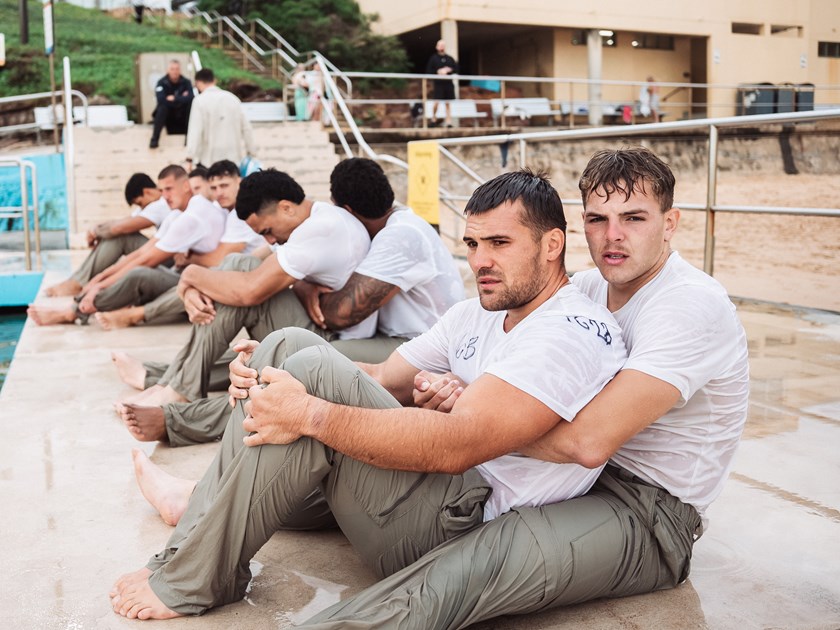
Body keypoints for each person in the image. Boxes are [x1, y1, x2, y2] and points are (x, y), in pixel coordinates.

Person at [109, 169, 628, 620]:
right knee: (291, 345)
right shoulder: (479, 313)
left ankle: (196, 572)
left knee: (308, 368)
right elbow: (380, 378)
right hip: (425, 494)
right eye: (473, 245)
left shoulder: (569, 330)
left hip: (460, 521)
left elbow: (460, 445)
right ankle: (190, 546)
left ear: (552, 245)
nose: (480, 261)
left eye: (500, 244)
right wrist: (268, 368)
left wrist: (308, 409)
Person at [277, 146, 750, 628]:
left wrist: (469, 415)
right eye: (596, 218)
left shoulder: (689, 304)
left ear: (670, 223)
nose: (613, 235)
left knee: (454, 576)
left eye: (634, 217)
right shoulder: (587, 289)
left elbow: (588, 442)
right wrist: (471, 406)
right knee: (320, 484)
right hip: (561, 480)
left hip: (646, 506)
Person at [115, 158, 465, 446]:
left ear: (346, 207)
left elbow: (338, 314)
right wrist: (302, 284)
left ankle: (178, 414)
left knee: (294, 368)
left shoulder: (401, 236)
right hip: (387, 339)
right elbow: (257, 271)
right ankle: (170, 379)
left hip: (415, 349)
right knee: (244, 277)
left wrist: (190, 274)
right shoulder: (373, 226)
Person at [118, 166, 376, 409]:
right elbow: (247, 263)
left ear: (286, 207)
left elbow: (249, 289)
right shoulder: (309, 216)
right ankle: (171, 383)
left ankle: (179, 388)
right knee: (237, 264)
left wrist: (191, 275)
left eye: (267, 231)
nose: (270, 240)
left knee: (240, 281)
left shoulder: (319, 229)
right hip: (315, 325)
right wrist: (191, 288)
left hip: (332, 343)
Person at [27, 166, 227, 327]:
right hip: (184, 273)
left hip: (204, 287)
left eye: (169, 189)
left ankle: (73, 312)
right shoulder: (177, 213)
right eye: (162, 190)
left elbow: (147, 260)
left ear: (186, 186)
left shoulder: (192, 216)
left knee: (138, 274)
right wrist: (99, 278)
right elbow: (142, 252)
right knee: (133, 269)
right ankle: (82, 296)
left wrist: (100, 286)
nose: (164, 195)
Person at [95, 160, 267, 331]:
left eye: (224, 186)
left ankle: (134, 314)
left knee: (195, 279)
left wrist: (189, 257)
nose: (219, 193)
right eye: (214, 188)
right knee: (171, 274)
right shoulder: (223, 209)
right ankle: (100, 298)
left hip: (244, 280)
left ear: (239, 182)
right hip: (228, 276)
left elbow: (218, 260)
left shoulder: (239, 214)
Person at [44, 173, 172, 298]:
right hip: (163, 253)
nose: (140, 207)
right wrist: (96, 228)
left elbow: (119, 227)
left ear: (147, 192)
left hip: (169, 259)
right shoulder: (152, 204)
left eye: (139, 203)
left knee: (122, 236)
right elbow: (121, 222)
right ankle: (76, 280)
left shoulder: (161, 204)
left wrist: (96, 232)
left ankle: (78, 282)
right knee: (113, 233)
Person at [186, 68, 256, 169]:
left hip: (209, 160)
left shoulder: (199, 101)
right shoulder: (233, 98)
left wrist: (190, 157)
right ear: (214, 81)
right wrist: (252, 152)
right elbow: (247, 129)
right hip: (234, 159)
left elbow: (195, 131)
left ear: (197, 83)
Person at [150, 61, 193, 149]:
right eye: (172, 69)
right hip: (168, 114)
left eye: (177, 69)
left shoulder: (186, 82)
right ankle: (154, 139)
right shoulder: (161, 82)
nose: (175, 71)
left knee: (190, 106)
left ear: (180, 70)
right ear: (168, 70)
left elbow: (191, 98)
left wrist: (175, 98)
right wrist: (181, 98)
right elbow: (161, 100)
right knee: (162, 108)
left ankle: (189, 139)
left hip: (182, 114)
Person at [425, 39, 459, 127]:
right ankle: (433, 119)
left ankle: (448, 122)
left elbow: (456, 68)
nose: (442, 47)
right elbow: (429, 71)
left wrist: (449, 70)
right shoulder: (433, 58)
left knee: (448, 103)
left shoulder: (449, 58)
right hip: (438, 84)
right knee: (436, 102)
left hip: (448, 83)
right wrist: (438, 72)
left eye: (443, 45)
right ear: (437, 47)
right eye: (440, 45)